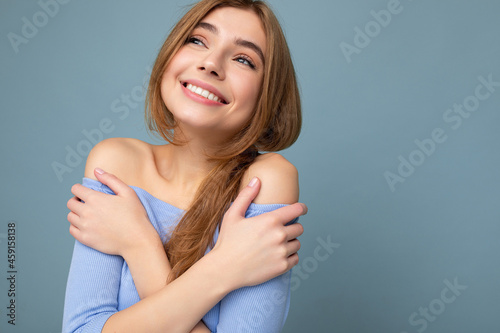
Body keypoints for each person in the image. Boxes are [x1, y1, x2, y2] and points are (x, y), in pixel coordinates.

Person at [63, 0, 306, 332]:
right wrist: (228, 266)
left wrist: (138, 245)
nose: (210, 63)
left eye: (242, 59)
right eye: (198, 40)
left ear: (268, 94)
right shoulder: (115, 163)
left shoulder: (265, 182)